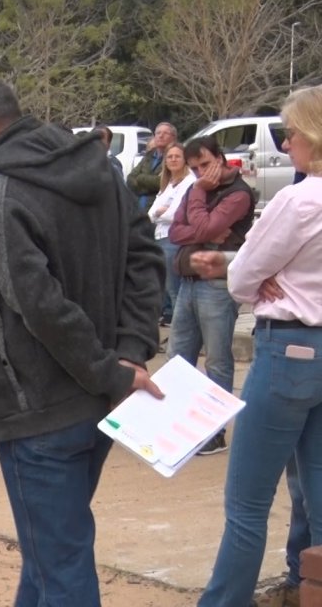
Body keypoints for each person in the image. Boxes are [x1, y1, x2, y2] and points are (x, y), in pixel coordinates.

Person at [0, 75, 164, 606]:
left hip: (40, 410)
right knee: (49, 557)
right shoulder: (103, 171)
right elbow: (145, 261)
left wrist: (114, 368)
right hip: (100, 401)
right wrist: (125, 357)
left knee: (61, 567)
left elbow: (36, 303)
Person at [196, 85, 322, 607]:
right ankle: (307, 585)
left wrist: (259, 276)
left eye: (290, 133)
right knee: (318, 496)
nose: (286, 144)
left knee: (246, 501)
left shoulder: (299, 198)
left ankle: (224, 601)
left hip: (286, 348)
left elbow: (244, 275)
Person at [168, 135, 255, 454]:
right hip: (188, 281)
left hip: (217, 284)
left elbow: (202, 228)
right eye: (194, 169)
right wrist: (200, 216)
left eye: (205, 164)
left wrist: (199, 195)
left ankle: (214, 431)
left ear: (219, 158)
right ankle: (178, 422)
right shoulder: (196, 188)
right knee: (178, 357)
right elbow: (176, 230)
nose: (200, 173)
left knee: (217, 360)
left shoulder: (239, 193)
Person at [147, 144, 194, 327]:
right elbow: (151, 213)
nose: (173, 160)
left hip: (173, 239)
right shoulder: (166, 184)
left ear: (185, 160)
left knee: (175, 289)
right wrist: (159, 212)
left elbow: (176, 214)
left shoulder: (189, 182)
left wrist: (160, 213)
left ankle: (181, 329)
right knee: (167, 288)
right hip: (160, 237)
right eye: (170, 157)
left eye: (177, 156)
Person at [127, 122, 178, 211]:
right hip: (137, 208)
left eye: (165, 133)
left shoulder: (174, 158)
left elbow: (162, 183)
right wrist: (149, 186)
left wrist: (140, 178)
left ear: (173, 137)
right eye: (158, 133)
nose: (161, 136)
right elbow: (130, 178)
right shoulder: (149, 155)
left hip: (157, 210)